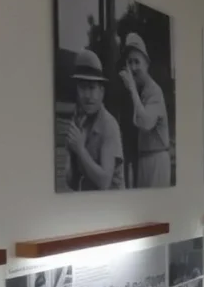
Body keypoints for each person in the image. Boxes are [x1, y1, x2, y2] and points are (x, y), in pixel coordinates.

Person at [64, 50, 124, 191]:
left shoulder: (109, 125)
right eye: (83, 88)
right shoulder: (80, 121)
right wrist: (72, 155)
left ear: (101, 92)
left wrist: (79, 149)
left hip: (113, 205)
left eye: (92, 88)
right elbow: (71, 182)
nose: (88, 96)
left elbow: (104, 182)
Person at [121, 33, 170, 188]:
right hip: (143, 159)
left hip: (156, 159)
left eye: (137, 62)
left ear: (147, 64)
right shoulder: (139, 91)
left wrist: (132, 90)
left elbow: (145, 122)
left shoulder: (154, 91)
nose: (133, 68)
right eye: (130, 63)